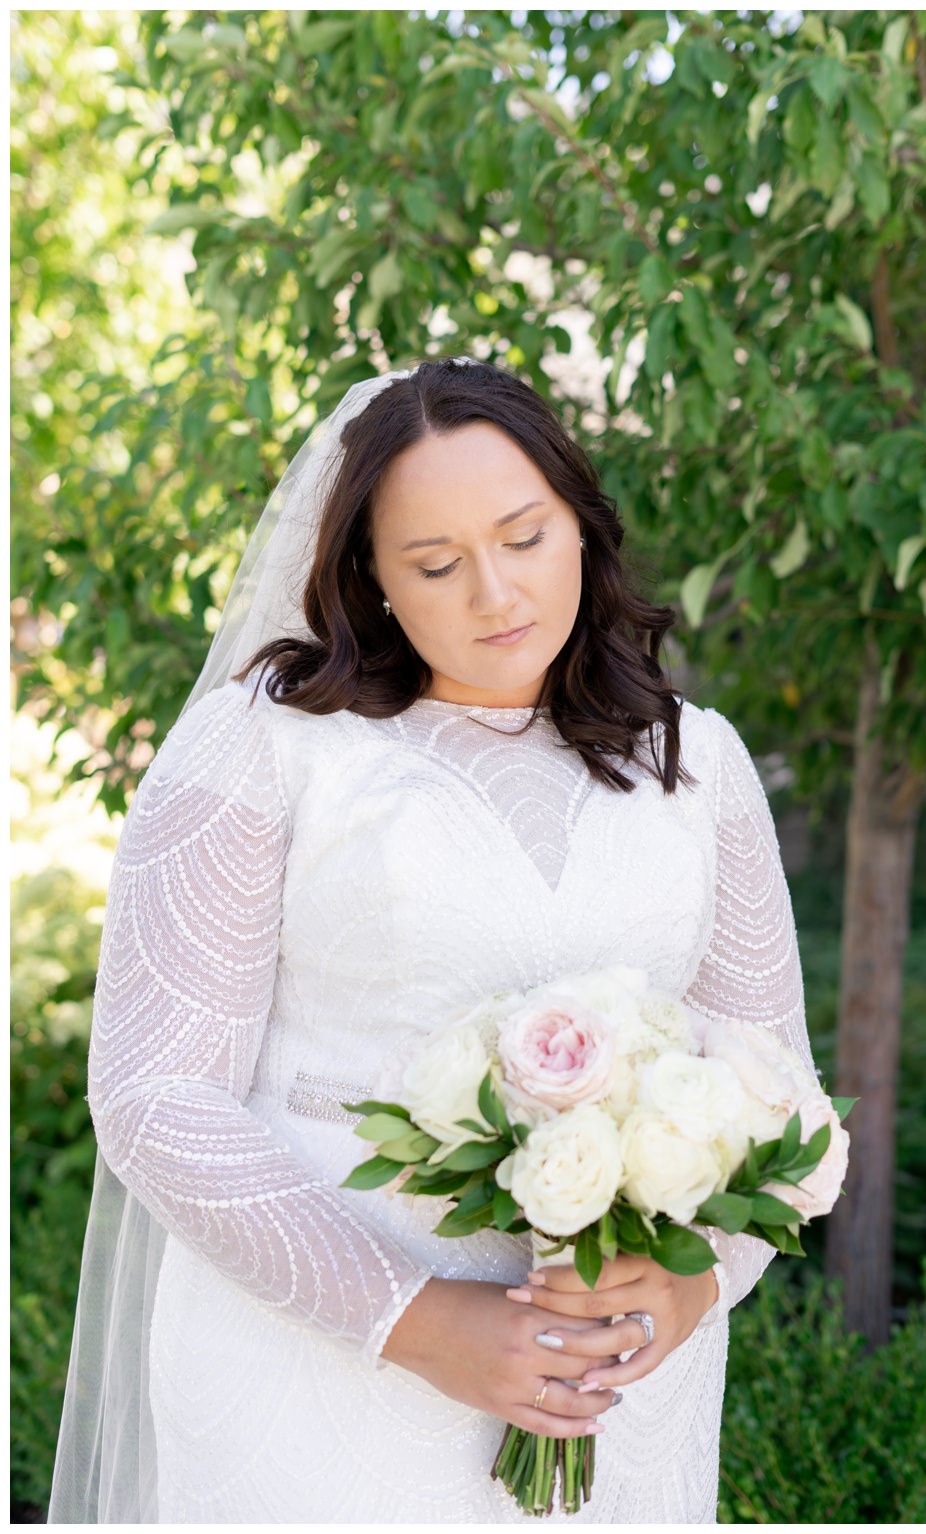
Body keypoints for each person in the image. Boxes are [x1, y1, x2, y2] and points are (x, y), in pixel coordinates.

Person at [50, 358, 810, 1521]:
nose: (494, 594)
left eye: (524, 538)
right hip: (317, 1378)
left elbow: (774, 1083)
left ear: (582, 526)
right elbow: (157, 1093)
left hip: (613, 1392)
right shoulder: (264, 751)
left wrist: (692, 1283)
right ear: (370, 578)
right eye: (437, 564)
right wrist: (413, 1316)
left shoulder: (696, 764)